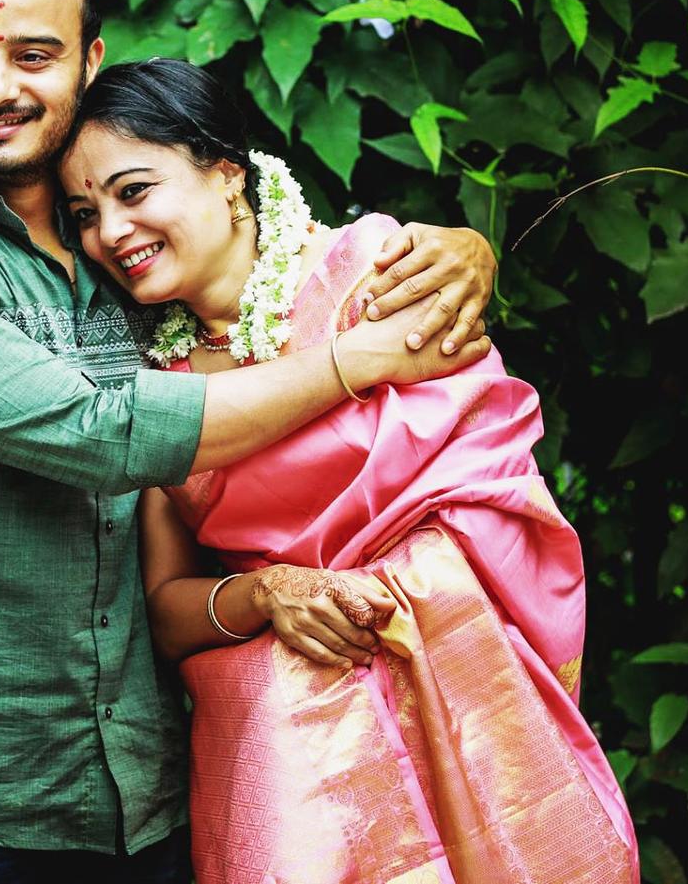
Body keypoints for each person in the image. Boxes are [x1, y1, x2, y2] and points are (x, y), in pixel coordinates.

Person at [0, 0, 497, 882]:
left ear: (88, 64)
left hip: (147, 804)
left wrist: (466, 253)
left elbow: (274, 283)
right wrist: (362, 358)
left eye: (34, 54)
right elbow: (107, 434)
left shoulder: (132, 243)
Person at [59, 58, 640, 884]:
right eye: (85, 213)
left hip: (459, 675)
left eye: (133, 190)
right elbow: (166, 609)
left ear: (227, 175)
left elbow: (490, 472)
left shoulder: (372, 271)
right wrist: (269, 593)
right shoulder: (155, 393)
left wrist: (404, 582)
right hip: (295, 740)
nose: (110, 231)